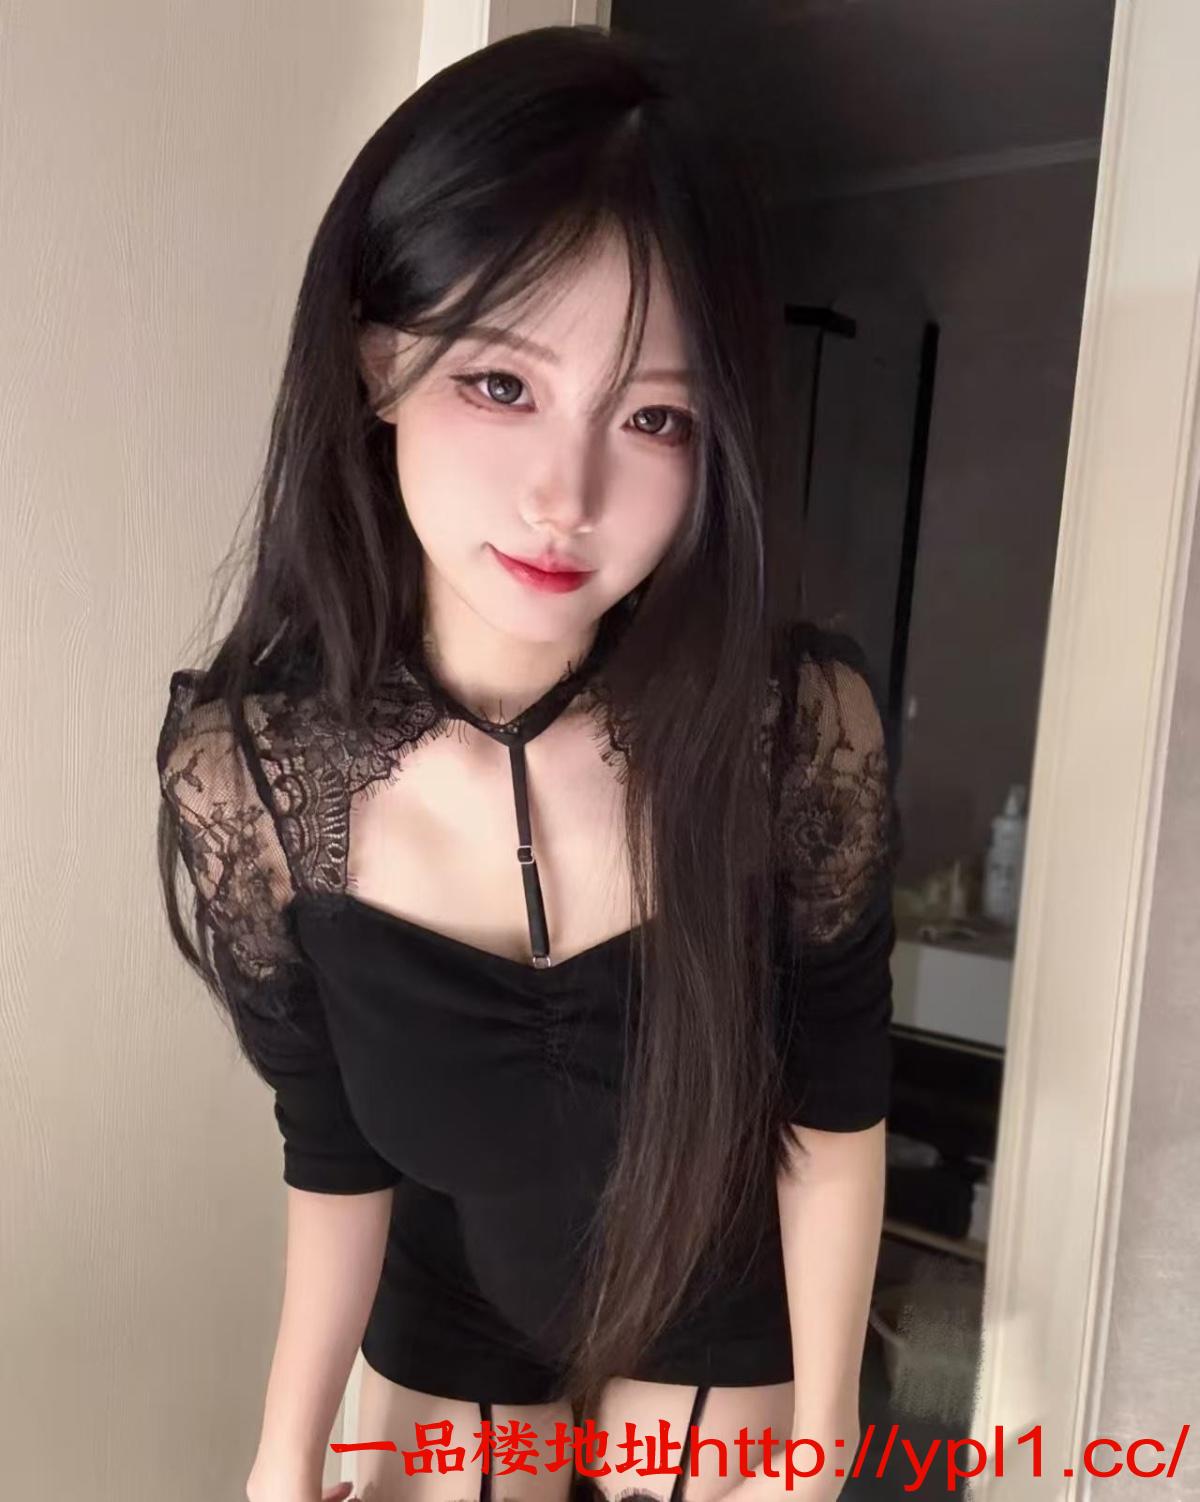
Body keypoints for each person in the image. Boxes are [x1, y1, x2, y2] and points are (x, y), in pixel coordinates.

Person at [155, 24, 901, 1502]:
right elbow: (333, 1150)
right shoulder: (252, 775)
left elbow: (834, 1107)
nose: (568, 495)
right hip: (448, 1305)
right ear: (379, 361)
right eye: (501, 384)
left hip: (718, 1294)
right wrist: (281, 1450)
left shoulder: (792, 734)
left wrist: (822, 1443)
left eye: (655, 416)